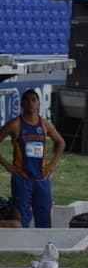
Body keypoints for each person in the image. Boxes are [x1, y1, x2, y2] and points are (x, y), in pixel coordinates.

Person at [0, 89, 65, 228]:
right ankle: (21, 247)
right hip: (22, 179)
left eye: (33, 100)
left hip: (42, 179)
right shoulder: (15, 124)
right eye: (27, 100)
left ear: (39, 103)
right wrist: (6, 165)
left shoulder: (44, 124)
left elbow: (61, 143)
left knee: (45, 219)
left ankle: (43, 247)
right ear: (22, 104)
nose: (31, 103)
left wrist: (52, 165)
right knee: (22, 219)